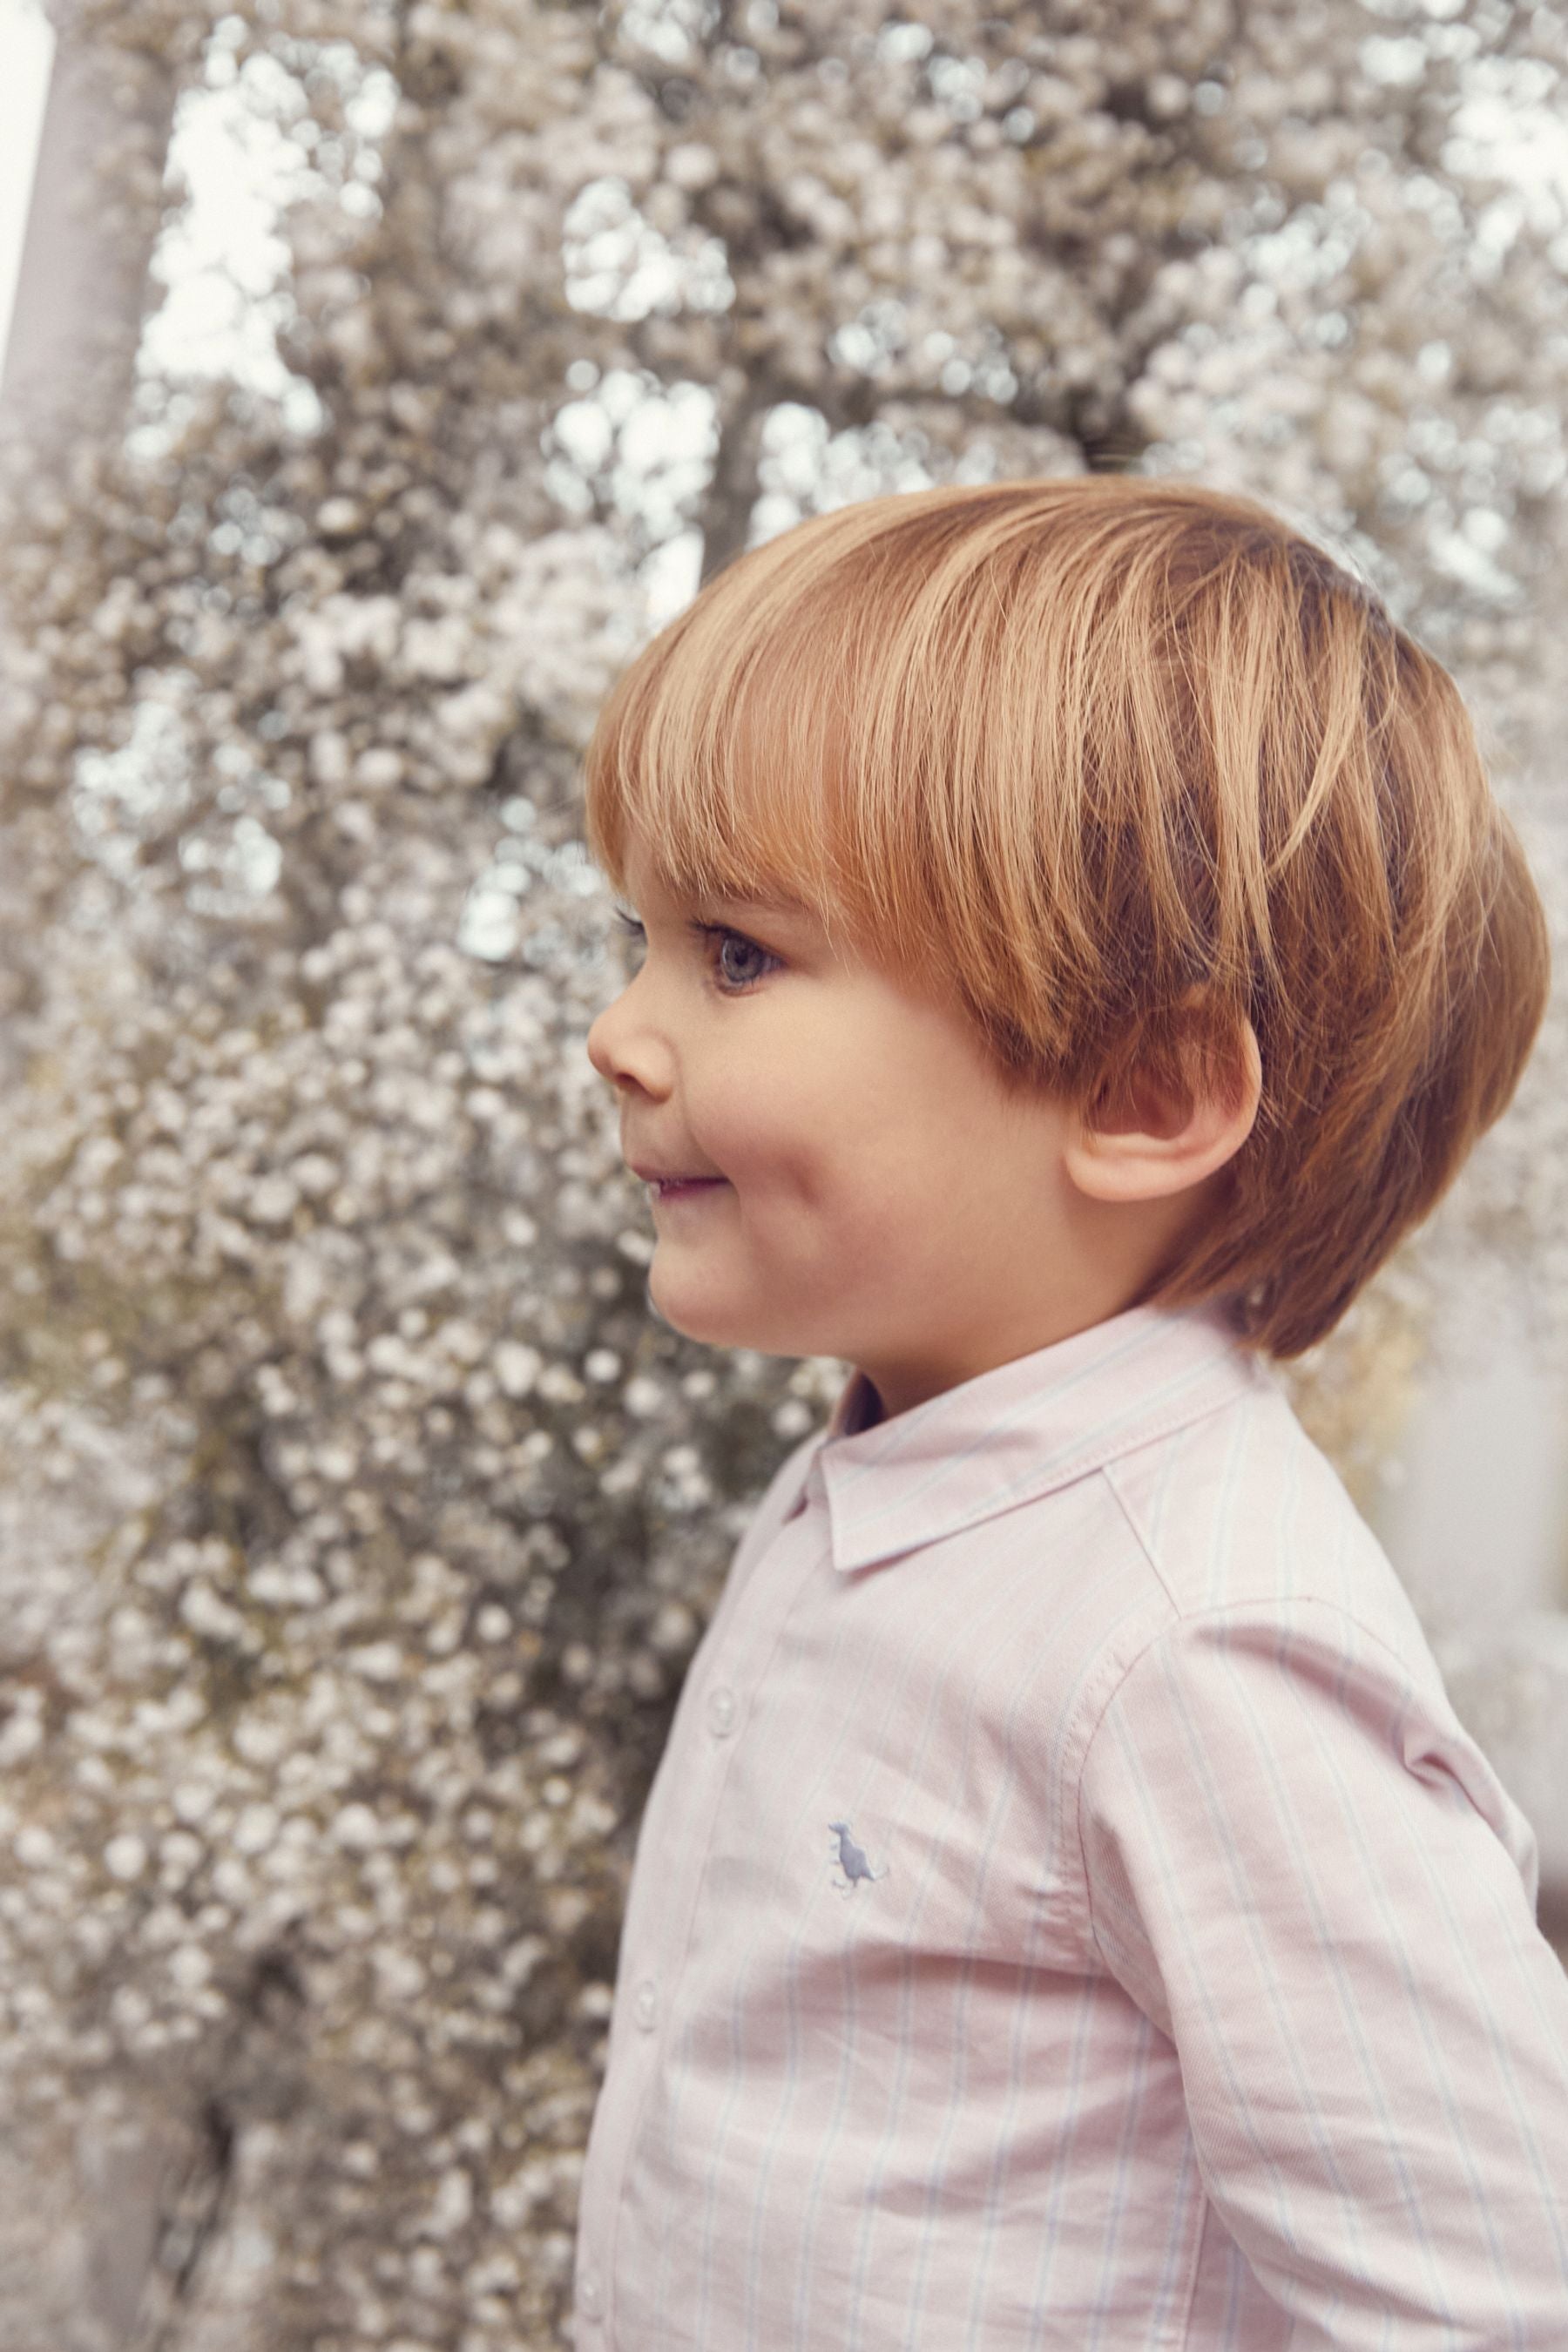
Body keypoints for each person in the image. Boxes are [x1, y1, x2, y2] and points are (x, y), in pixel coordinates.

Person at [573, 476, 1568, 2349]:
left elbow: (1502, 2291)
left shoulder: (1193, 1648)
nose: (622, 1033)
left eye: (737, 955)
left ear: (1143, 1093)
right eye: (639, 936)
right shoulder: (900, 1474)